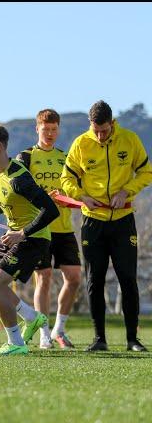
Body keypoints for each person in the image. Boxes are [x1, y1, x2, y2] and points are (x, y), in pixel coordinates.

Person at [61, 100, 152, 352]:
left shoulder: (130, 139)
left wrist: (127, 191)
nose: (100, 136)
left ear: (112, 123)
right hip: (93, 222)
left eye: (104, 130)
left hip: (123, 221)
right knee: (94, 280)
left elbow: (146, 173)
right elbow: (66, 177)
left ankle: (133, 339)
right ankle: (99, 339)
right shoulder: (81, 143)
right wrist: (81, 196)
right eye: (95, 130)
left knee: (127, 279)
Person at [0, 123, 59, 355]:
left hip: (33, 238)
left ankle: (16, 343)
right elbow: (7, 199)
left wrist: (23, 233)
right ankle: (31, 317)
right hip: (12, 234)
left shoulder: (20, 177)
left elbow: (51, 211)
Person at [15, 109, 81, 349]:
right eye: (46, 129)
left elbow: (74, 189)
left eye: (54, 129)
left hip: (64, 227)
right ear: (37, 129)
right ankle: (43, 333)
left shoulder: (66, 158)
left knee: (74, 278)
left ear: (58, 129)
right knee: (43, 278)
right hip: (41, 228)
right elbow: (18, 191)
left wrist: (68, 198)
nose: (50, 133)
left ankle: (58, 330)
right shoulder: (26, 157)